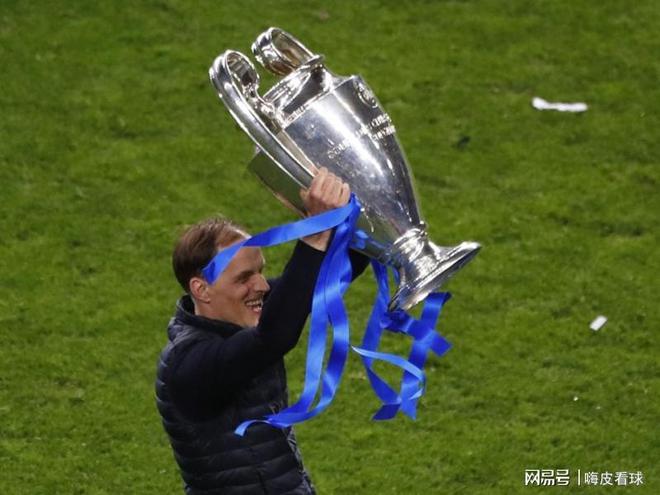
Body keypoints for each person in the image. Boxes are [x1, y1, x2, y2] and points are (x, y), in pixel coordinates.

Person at [156, 168, 369, 495]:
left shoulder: (244, 315)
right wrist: (313, 237)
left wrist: (355, 213)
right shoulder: (188, 364)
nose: (261, 286)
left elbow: (330, 275)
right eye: (244, 278)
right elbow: (273, 336)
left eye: (260, 271)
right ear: (202, 289)